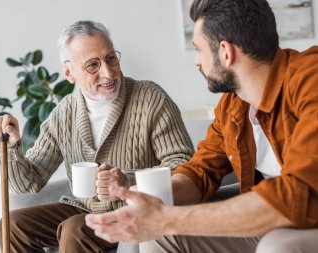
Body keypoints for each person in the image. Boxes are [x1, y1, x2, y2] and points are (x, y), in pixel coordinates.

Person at [85, 1, 318, 252]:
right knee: (158, 236)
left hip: (306, 218)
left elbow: (300, 194)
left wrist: (167, 218)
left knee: (277, 246)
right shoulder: (232, 106)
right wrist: (151, 198)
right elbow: (201, 172)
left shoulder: (310, 80)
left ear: (226, 52)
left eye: (199, 49)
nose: (197, 61)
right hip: (271, 220)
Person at [0, 20, 193, 253]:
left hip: (135, 208)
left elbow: (184, 166)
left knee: (75, 228)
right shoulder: (63, 113)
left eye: (110, 59)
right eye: (93, 65)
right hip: (84, 208)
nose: (107, 72)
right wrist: (12, 147)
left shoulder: (150, 98)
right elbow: (28, 183)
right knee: (12, 225)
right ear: (69, 72)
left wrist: (126, 181)